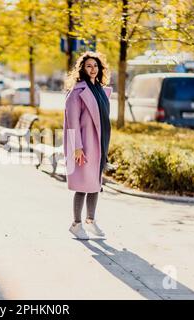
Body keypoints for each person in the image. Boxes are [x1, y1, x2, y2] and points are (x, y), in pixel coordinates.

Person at [63, 51, 112, 240]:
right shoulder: (76, 91)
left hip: (100, 143)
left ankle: (91, 221)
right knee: (83, 185)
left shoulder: (101, 90)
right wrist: (77, 147)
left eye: (96, 66)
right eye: (89, 66)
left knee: (95, 183)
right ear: (82, 69)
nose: (93, 69)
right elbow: (72, 121)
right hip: (84, 144)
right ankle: (76, 224)